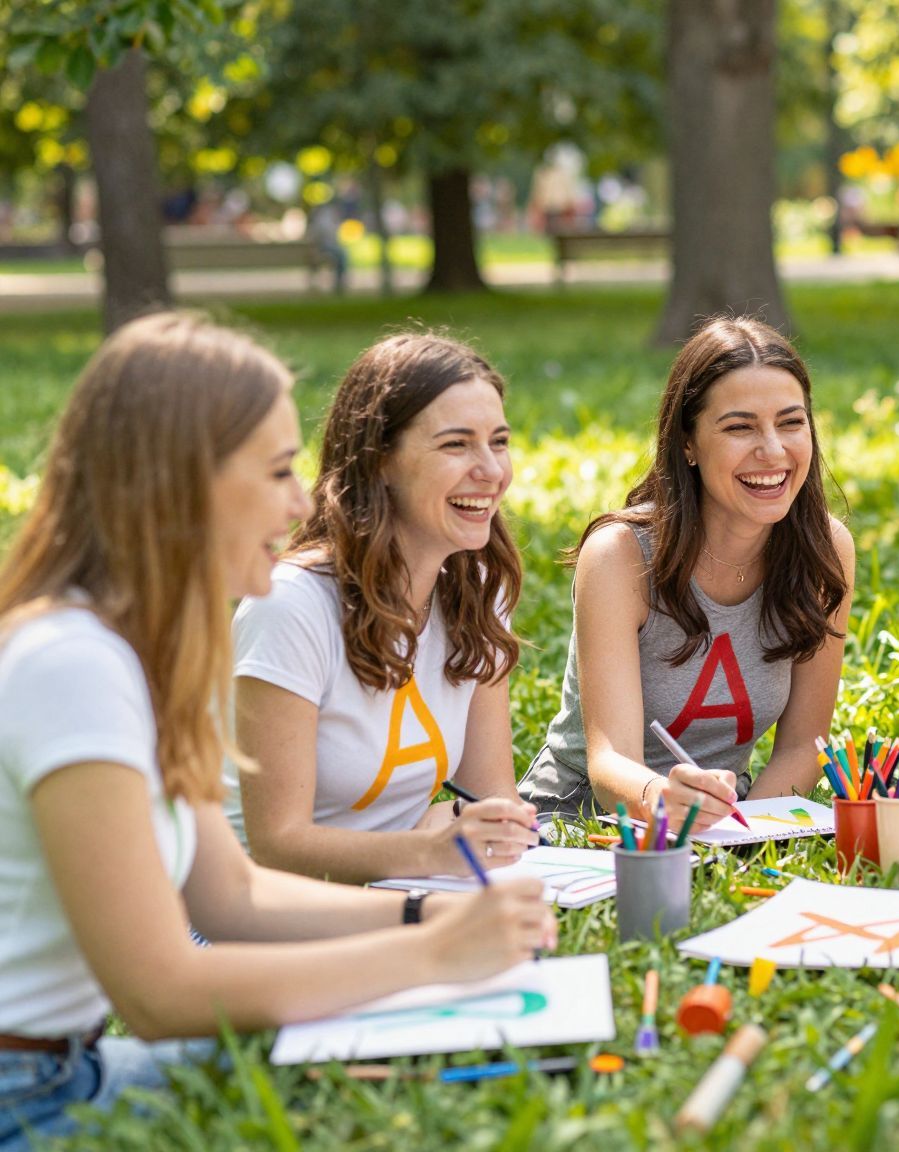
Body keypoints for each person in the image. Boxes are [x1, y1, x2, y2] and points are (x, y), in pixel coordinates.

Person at [0, 314, 551, 1152]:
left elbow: (232, 896)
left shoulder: (136, 649)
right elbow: (157, 990)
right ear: (182, 482)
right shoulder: (70, 662)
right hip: (29, 1099)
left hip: (66, 1067)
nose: (303, 501)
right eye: (278, 470)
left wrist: (423, 923)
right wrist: (433, 956)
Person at [520, 317, 853, 834]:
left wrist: (746, 834)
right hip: (581, 816)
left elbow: (801, 749)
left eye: (791, 422)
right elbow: (609, 765)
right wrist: (666, 802)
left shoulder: (825, 551)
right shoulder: (620, 556)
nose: (773, 450)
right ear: (688, 444)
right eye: (740, 427)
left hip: (725, 818)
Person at [232, 333, 537, 885]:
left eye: (499, 441)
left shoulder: (477, 586)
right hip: (264, 912)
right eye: (455, 445)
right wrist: (431, 850)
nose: (491, 471)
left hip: (403, 883)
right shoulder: (292, 606)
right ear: (379, 461)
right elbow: (277, 844)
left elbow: (489, 794)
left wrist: (493, 834)